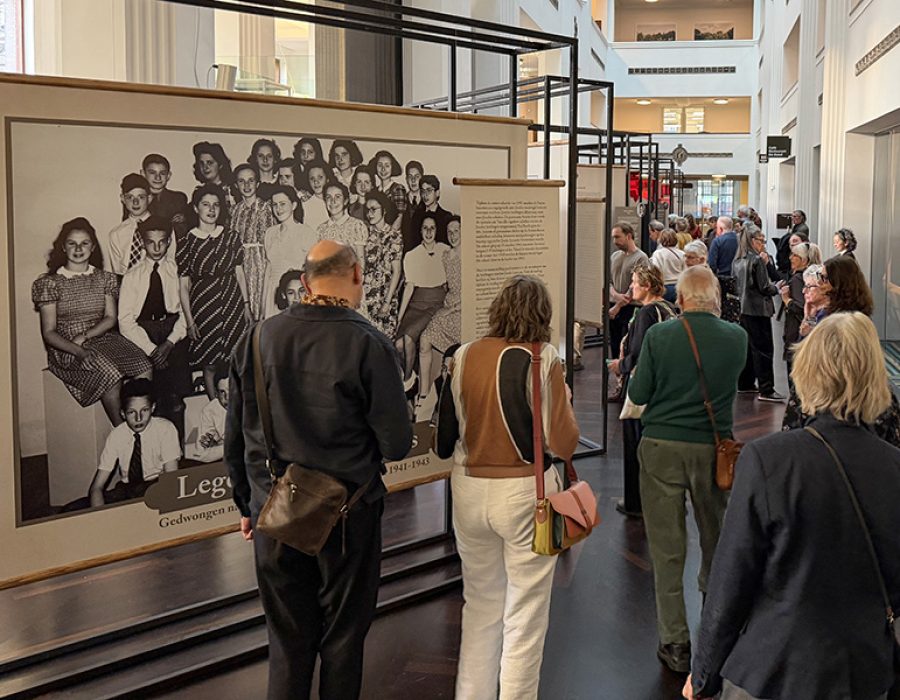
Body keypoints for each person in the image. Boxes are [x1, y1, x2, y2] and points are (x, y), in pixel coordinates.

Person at [225, 240, 412, 700]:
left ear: (304, 281)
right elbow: (396, 443)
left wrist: (246, 504)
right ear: (358, 276)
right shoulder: (369, 343)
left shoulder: (257, 338)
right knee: (343, 642)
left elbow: (236, 435)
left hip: (275, 512)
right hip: (348, 515)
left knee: (287, 646)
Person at [684, 312, 900, 700]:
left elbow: (731, 579)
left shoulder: (769, 460)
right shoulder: (894, 466)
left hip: (773, 669)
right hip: (864, 673)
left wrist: (703, 674)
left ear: (808, 369)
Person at [434, 274, 580, 700]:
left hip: (468, 488)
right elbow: (564, 442)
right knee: (526, 613)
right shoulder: (544, 358)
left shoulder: (462, 355)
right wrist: (565, 399)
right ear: (543, 314)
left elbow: (447, 436)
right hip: (526, 492)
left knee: (479, 606)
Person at [628, 265, 747, 675]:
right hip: (714, 451)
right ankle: (714, 635)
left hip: (661, 447)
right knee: (716, 540)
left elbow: (639, 392)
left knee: (667, 548)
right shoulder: (737, 338)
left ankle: (675, 642)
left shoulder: (660, 336)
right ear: (715, 299)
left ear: (680, 300)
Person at [33, 218, 152, 425]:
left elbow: (109, 318)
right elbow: (49, 332)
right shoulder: (49, 283)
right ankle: (123, 433)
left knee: (144, 365)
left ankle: (141, 425)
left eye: (85, 243)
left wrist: (86, 336)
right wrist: (79, 350)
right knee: (110, 374)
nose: (79, 248)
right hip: (67, 346)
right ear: (63, 247)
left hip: (101, 336)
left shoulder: (105, 278)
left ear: (93, 246)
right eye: (72, 243)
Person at [608, 263, 677, 518]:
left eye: (635, 282)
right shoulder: (668, 308)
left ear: (647, 286)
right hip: (662, 386)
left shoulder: (648, 312)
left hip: (641, 385)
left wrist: (620, 366)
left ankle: (636, 502)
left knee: (635, 444)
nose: (631, 287)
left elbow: (638, 354)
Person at [118, 216, 192, 443]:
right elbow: (125, 321)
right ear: (143, 242)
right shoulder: (132, 276)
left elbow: (184, 313)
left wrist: (169, 343)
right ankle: (152, 453)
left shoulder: (176, 271)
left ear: (169, 242)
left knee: (176, 399)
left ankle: (177, 454)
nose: (157, 248)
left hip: (173, 333)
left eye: (162, 242)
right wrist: (152, 350)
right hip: (144, 334)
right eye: (151, 242)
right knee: (152, 400)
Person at [178, 184, 248, 401]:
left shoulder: (231, 237)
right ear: (196, 208)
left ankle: (239, 407)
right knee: (209, 362)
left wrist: (246, 305)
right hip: (204, 304)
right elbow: (183, 285)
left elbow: (239, 272)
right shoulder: (186, 242)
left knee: (236, 358)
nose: (211, 210)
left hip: (232, 302)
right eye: (206, 204)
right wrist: (190, 321)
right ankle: (214, 410)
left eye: (216, 205)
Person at [88, 378, 181, 506]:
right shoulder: (117, 435)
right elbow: (96, 487)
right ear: (122, 413)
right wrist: (99, 519)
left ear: (153, 408)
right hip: (127, 490)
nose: (138, 418)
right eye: (132, 412)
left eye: (144, 410)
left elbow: (172, 481)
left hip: (157, 486)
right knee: (72, 509)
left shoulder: (165, 429)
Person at [395, 215, 450, 401]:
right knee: (398, 345)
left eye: (432, 228)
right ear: (420, 231)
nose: (428, 232)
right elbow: (409, 288)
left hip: (435, 303)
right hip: (416, 302)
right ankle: (414, 375)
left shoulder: (445, 251)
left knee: (409, 338)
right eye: (425, 228)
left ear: (436, 231)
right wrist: (400, 317)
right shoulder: (411, 255)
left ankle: (407, 382)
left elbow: (450, 282)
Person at [732, 226, 783, 402]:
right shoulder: (757, 261)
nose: (763, 244)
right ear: (753, 241)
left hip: (743, 309)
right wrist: (778, 288)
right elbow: (764, 287)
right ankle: (766, 389)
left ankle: (745, 383)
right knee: (764, 349)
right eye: (761, 240)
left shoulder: (737, 260)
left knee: (748, 348)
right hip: (758, 309)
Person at [418, 216, 462, 408]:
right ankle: (424, 395)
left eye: (457, 231)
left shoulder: (471, 255)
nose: (453, 235)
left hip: (464, 308)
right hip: (448, 305)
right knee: (424, 339)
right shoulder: (446, 256)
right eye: (450, 231)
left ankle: (449, 401)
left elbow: (475, 291)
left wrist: (451, 309)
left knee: (456, 356)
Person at [262, 185, 317, 319]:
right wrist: (263, 305)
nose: (278, 209)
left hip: (295, 295)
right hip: (273, 294)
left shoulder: (306, 232)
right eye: (274, 205)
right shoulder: (270, 233)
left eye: (282, 204)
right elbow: (268, 270)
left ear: (293, 205)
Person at [231, 162, 275, 322]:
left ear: (257, 183)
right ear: (236, 185)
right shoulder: (234, 211)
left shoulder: (268, 208)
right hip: (241, 268)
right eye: (242, 181)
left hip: (262, 265)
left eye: (251, 180)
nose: (247, 185)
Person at [361, 190, 403, 336]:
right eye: (367, 210)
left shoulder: (393, 236)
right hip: (367, 297)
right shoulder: (366, 235)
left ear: (384, 210)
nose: (370, 214)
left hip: (385, 296)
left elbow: (397, 272)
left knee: (385, 344)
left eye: (374, 209)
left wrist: (386, 303)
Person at [608, 221, 649, 362]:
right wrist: (614, 295)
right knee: (614, 343)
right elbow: (608, 281)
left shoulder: (641, 258)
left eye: (618, 237)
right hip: (613, 305)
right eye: (614, 237)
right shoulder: (614, 256)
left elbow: (636, 285)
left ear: (629, 236)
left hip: (630, 307)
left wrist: (618, 305)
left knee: (628, 343)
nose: (615, 241)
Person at [106, 173, 153, 276]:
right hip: (127, 287)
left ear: (149, 198)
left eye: (141, 197)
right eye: (130, 197)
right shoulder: (116, 234)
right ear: (122, 198)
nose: (135, 202)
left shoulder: (164, 228)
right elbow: (117, 272)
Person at [779, 242, 811, 371]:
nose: (790, 258)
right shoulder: (804, 278)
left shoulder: (798, 279)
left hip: (796, 334)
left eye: (794, 255)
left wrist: (786, 300)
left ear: (803, 260)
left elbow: (799, 308)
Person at [317, 181, 368, 263]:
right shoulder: (321, 230)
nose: (333, 201)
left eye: (337, 197)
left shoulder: (357, 226)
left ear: (345, 201)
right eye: (328, 197)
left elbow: (361, 260)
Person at [707, 216, 740, 323]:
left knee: (722, 307)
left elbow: (712, 263)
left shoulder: (717, 242)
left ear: (720, 228)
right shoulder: (740, 240)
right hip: (739, 279)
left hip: (722, 280)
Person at [193, 366, 229, 463]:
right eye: (222, 392)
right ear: (216, 393)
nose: (227, 397)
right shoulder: (210, 411)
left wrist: (220, 446)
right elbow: (200, 454)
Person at [406, 174, 451, 250]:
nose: (425, 195)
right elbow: (412, 243)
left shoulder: (446, 217)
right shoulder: (417, 215)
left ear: (437, 193)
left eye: (429, 190)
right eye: (422, 191)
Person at [142, 153, 188, 225]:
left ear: (168, 176)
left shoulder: (178, 199)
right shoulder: (136, 199)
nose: (158, 177)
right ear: (143, 174)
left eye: (162, 173)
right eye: (152, 173)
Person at [369, 149, 408, 225]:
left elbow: (400, 217)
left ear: (392, 168)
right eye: (380, 165)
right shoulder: (374, 191)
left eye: (387, 166)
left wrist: (388, 234)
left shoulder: (398, 189)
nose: (383, 169)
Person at [650, 229, 686, 302]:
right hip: (679, 287)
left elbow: (656, 270)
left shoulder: (658, 254)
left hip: (665, 286)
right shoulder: (682, 254)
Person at [298, 159, 331, 231]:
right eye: (312, 179)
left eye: (320, 177)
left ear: (327, 179)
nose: (316, 182)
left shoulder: (337, 202)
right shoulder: (305, 205)